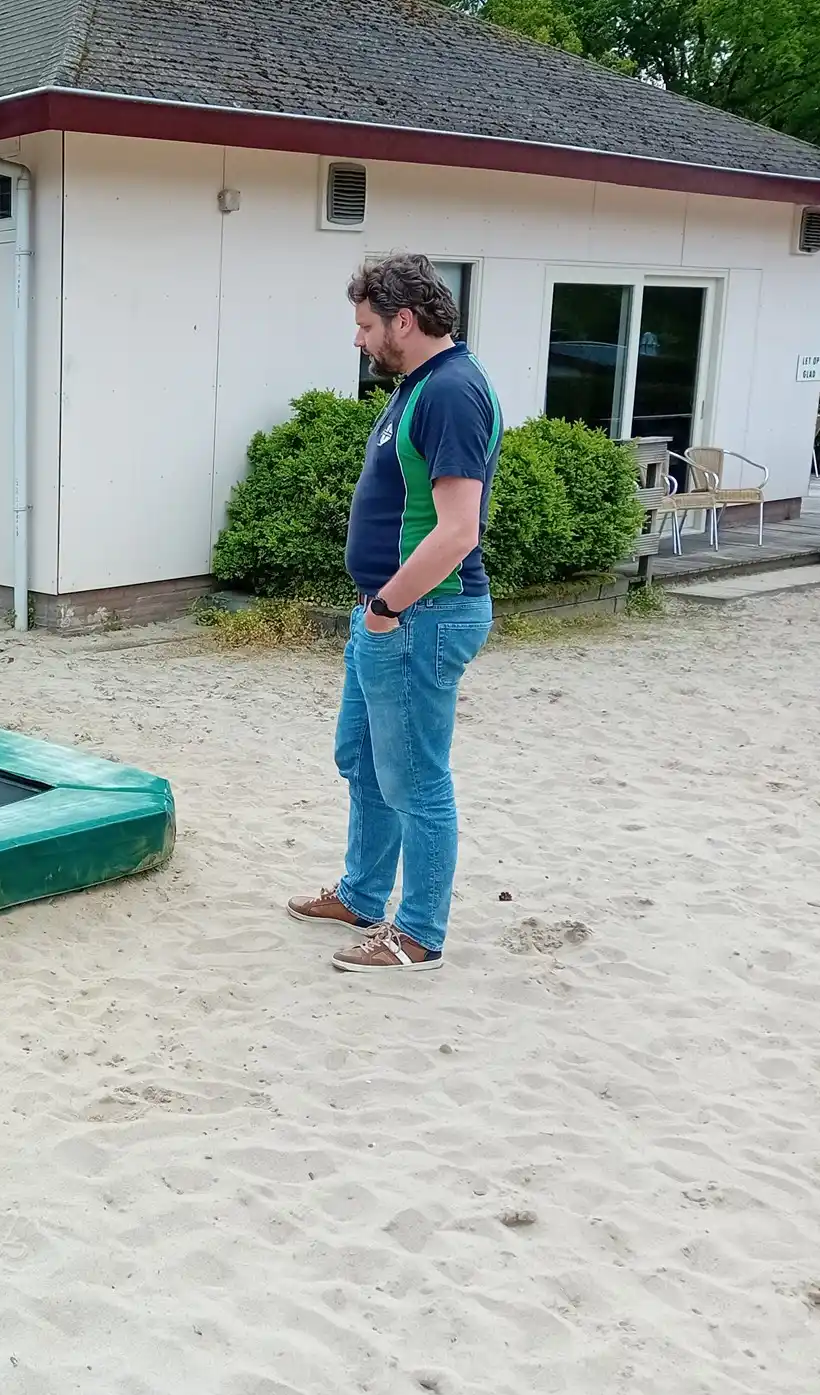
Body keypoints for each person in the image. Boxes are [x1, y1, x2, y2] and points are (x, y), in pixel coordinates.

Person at [288, 254, 499, 973]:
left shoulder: (450, 394)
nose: (359, 340)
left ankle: (417, 935)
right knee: (363, 760)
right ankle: (362, 894)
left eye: (366, 325)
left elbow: (458, 530)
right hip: (391, 617)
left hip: (422, 618)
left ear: (404, 321)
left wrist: (384, 608)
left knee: (415, 777)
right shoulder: (419, 387)